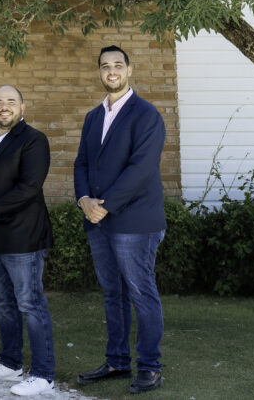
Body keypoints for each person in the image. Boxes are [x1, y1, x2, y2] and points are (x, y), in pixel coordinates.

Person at [74, 45, 167, 394]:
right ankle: (116, 360)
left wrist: (106, 205)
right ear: (99, 72)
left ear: (129, 69)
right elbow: (82, 162)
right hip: (98, 220)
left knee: (141, 292)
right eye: (104, 66)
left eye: (117, 65)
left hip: (134, 221)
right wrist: (84, 200)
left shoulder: (146, 114)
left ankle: (150, 366)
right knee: (113, 294)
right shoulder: (93, 117)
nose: (111, 71)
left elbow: (141, 169)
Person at [0, 86, 55, 396]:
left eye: (11, 102)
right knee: (3, 304)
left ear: (22, 107)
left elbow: (29, 187)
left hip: (23, 237)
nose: (4, 107)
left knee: (30, 304)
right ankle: (11, 362)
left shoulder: (33, 140)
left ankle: (43, 374)